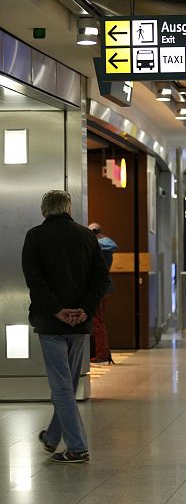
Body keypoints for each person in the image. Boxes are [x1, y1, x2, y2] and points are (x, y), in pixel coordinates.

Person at [22, 190, 110, 463]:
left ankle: (77, 447)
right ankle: (51, 438)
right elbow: (100, 279)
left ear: (43, 210)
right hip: (80, 323)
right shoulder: (87, 236)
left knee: (61, 386)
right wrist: (83, 309)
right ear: (69, 208)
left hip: (51, 323)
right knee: (68, 385)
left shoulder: (35, 236)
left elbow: (34, 280)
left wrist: (57, 310)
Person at [87, 223, 117, 364]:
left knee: (97, 321)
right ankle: (102, 353)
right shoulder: (106, 246)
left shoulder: (100, 246)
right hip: (104, 287)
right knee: (98, 321)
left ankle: (102, 354)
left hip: (98, 288)